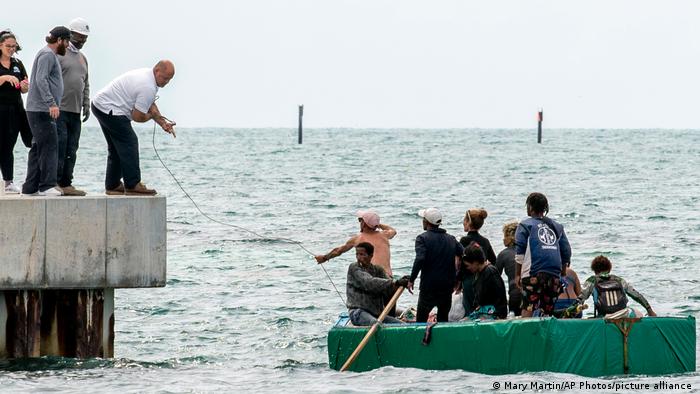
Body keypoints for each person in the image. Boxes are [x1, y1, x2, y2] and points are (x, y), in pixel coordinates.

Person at [91, 60, 176, 195]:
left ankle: (112, 185)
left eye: (169, 79)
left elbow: (150, 104)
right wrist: (150, 117)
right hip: (109, 109)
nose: (166, 82)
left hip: (99, 105)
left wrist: (162, 123)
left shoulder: (149, 77)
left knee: (116, 147)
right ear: (157, 71)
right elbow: (138, 117)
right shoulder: (147, 86)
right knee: (130, 142)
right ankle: (132, 184)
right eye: (165, 78)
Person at [21, 26, 72, 197]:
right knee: (50, 146)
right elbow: (40, 80)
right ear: (59, 40)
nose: (68, 45)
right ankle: (46, 185)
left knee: (38, 147)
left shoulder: (49, 55)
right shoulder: (47, 55)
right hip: (41, 109)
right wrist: (51, 103)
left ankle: (30, 188)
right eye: (67, 41)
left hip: (39, 109)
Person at [514, 192, 572, 317]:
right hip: (553, 275)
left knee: (528, 307)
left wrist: (518, 274)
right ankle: (547, 334)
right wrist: (561, 273)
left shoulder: (525, 225)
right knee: (548, 310)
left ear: (529, 207)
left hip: (533, 273)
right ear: (545, 208)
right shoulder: (556, 226)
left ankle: (527, 334)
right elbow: (566, 252)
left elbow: (520, 253)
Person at [408, 207, 464, 323]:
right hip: (447, 286)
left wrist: (411, 279)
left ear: (426, 222)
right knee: (443, 320)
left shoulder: (422, 238)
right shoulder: (451, 239)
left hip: (428, 287)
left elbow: (420, 259)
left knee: (421, 321)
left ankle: (421, 339)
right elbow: (464, 255)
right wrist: (459, 276)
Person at [56, 18, 91, 196]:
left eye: (85, 38)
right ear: (70, 34)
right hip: (59, 109)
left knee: (72, 148)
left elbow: (85, 83)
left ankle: (66, 183)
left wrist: (86, 104)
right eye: (79, 36)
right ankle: (55, 182)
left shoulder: (83, 58)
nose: (82, 40)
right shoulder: (59, 54)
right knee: (60, 145)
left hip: (75, 110)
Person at [315, 209, 397, 276]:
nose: (359, 223)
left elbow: (338, 251)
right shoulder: (385, 235)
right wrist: (377, 225)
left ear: (364, 223)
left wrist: (324, 258)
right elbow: (393, 230)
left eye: (360, 220)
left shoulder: (357, 239)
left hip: (371, 279)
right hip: (387, 277)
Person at [570, 255, 656, 318]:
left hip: (603, 317)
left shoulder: (591, 281)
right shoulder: (619, 280)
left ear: (594, 270)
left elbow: (580, 299)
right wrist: (649, 310)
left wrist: (571, 311)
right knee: (638, 313)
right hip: (623, 314)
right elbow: (636, 295)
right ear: (609, 268)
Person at [346, 242, 409, 326]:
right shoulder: (354, 268)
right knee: (375, 324)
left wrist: (399, 283)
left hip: (377, 314)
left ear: (371, 256)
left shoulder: (378, 270)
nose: (358, 258)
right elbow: (369, 282)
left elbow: (389, 288)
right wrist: (395, 282)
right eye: (357, 254)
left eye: (362, 255)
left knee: (403, 326)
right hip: (358, 312)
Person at [0, 30, 29, 194]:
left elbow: (24, 84)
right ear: (0, 45)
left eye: (14, 46)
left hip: (15, 109)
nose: (11, 49)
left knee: (8, 145)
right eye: (8, 46)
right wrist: (3, 78)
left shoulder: (17, 63)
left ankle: (9, 182)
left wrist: (24, 86)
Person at [458, 208, 497, 313]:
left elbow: (460, 263)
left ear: (468, 222)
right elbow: (494, 261)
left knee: (470, 310)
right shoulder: (485, 241)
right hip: (482, 280)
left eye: (464, 220)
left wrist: (457, 282)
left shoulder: (464, 240)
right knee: (481, 309)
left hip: (468, 280)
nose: (463, 222)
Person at [462, 243, 507, 319]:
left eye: (468, 265)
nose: (467, 268)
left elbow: (499, 298)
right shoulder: (479, 274)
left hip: (495, 313)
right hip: (485, 310)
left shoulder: (490, 272)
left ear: (476, 262)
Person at [495, 221, 522, 316]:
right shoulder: (528, 251)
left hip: (515, 293)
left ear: (509, 238)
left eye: (504, 236)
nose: (503, 239)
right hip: (529, 293)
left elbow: (495, 277)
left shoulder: (503, 254)